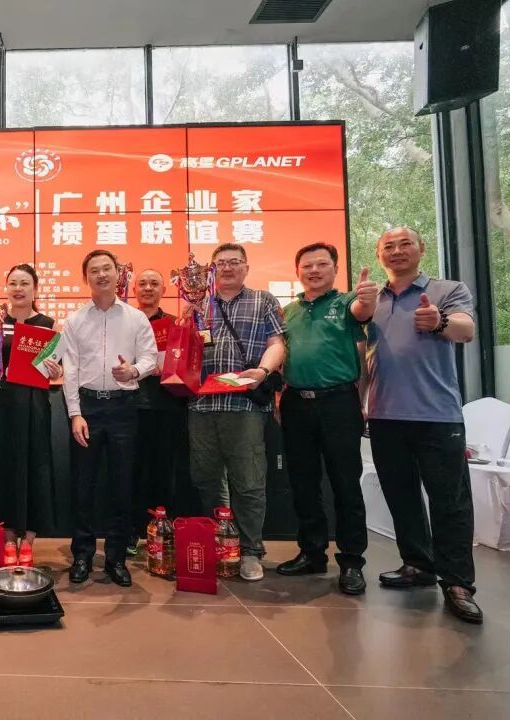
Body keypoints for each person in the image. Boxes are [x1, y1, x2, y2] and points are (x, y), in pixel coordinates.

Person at [366, 227, 481, 623]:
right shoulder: (373, 300)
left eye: (405, 244)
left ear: (421, 249)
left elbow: (466, 329)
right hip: (384, 416)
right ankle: (417, 564)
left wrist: (438, 320)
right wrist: (361, 402)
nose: (397, 251)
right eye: (389, 246)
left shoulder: (447, 290)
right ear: (379, 254)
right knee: (402, 497)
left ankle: (458, 583)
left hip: (437, 416)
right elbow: (366, 356)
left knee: (450, 502)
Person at [276, 243, 377, 595]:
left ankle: (351, 561)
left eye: (322, 264)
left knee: (345, 483)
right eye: (307, 266)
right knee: (303, 482)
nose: (314, 271)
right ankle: (312, 552)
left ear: (335, 269)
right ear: (298, 271)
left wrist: (367, 299)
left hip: (338, 402)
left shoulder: (347, 303)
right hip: (295, 402)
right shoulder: (287, 311)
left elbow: (364, 312)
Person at [187, 243, 286, 582]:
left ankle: (250, 550)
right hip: (201, 406)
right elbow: (184, 351)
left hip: (243, 405)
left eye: (234, 262)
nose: (227, 268)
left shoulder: (263, 301)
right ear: (211, 270)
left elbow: (277, 343)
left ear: (246, 266)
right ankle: (219, 544)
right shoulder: (198, 304)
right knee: (206, 478)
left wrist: (264, 371)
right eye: (220, 264)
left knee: (248, 481)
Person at [63, 250, 158, 587]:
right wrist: (75, 413)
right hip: (87, 408)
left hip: (123, 408)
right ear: (85, 277)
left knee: (122, 484)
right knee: (83, 485)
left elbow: (150, 358)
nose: (101, 275)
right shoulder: (75, 320)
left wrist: (133, 370)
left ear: (118, 275)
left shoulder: (135, 318)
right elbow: (70, 369)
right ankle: (82, 554)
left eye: (107, 269)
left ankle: (116, 558)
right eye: (94, 270)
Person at [0, 263, 61, 566]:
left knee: (35, 465)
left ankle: (29, 542)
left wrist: (56, 370)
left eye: (25, 283)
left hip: (34, 404)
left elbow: (58, 369)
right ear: (7, 288)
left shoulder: (48, 324)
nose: (18, 289)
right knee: (1, 466)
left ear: (35, 288)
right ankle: (8, 538)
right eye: (13, 283)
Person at [127, 269, 186, 555]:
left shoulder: (176, 324)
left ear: (164, 290)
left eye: (154, 283)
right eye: (143, 283)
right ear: (134, 290)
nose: (148, 288)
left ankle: (163, 532)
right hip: (130, 406)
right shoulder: (125, 322)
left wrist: (170, 368)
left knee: (165, 472)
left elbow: (185, 364)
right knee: (131, 472)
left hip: (167, 407)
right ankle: (131, 532)